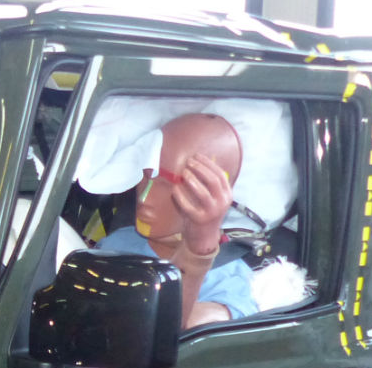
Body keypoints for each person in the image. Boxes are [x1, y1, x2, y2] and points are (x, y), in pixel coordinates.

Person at [96, 113, 256, 329]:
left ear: (209, 194)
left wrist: (198, 249)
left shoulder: (231, 283)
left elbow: (164, 332)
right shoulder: (116, 244)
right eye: (144, 177)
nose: (144, 198)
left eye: (164, 185)